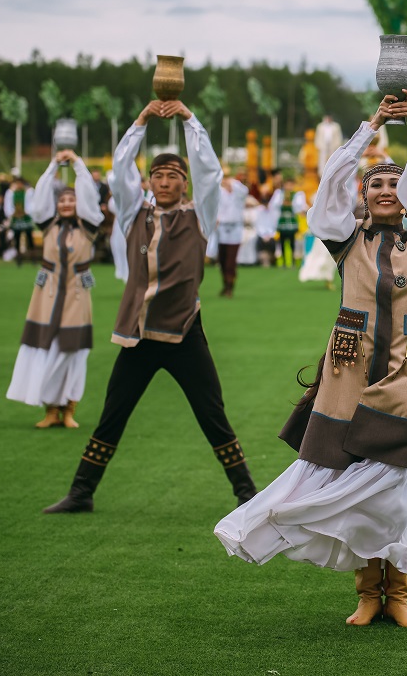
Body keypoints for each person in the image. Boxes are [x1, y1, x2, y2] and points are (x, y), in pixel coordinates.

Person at [214, 91, 407, 630]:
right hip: (349, 375)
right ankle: (370, 593)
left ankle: (399, 594)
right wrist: (369, 128)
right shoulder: (346, 242)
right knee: (353, 483)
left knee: (399, 492)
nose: (388, 191)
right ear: (363, 197)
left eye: (396, 184)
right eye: (377, 184)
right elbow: (326, 192)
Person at [42, 99, 257, 514]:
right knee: (112, 415)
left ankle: (246, 493)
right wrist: (140, 119)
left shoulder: (201, 215)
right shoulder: (131, 213)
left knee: (212, 414)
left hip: (184, 331)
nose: (163, 182)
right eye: (156, 175)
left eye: (172, 176)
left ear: (184, 183)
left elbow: (210, 172)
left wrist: (190, 119)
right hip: (137, 334)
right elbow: (122, 169)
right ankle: (81, 492)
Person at [7, 150, 103, 428]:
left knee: (72, 350)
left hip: (76, 293)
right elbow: (38, 202)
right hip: (46, 293)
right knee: (45, 348)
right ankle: (50, 410)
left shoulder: (88, 226)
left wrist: (77, 165)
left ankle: (69, 409)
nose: (67, 204)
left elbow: (90, 200)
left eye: (72, 199)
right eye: (62, 200)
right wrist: (52, 166)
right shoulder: (48, 224)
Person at [216, 171, 248, 297]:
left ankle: (230, 285)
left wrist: (233, 183)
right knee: (222, 259)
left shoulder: (238, 193)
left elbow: (244, 190)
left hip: (235, 227)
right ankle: (225, 283)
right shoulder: (219, 192)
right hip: (222, 227)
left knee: (231, 260)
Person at [6, 177, 35, 265]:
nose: (18, 185)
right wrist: (12, 213)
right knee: (17, 239)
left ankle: (33, 258)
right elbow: (8, 206)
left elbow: (32, 204)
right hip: (16, 219)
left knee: (30, 239)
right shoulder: (11, 193)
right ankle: (19, 259)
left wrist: (27, 212)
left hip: (26, 218)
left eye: (20, 183)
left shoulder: (28, 192)